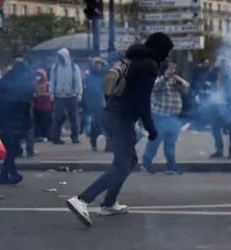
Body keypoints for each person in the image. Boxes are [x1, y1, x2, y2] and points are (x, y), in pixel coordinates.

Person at [65, 33, 173, 227]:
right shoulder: (149, 66)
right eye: (167, 51)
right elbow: (143, 100)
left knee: (128, 161)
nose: (167, 56)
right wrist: (150, 127)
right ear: (160, 49)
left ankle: (109, 203)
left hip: (114, 114)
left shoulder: (134, 59)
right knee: (123, 164)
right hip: (119, 118)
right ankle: (82, 200)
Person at [0, 58, 35, 185]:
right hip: (12, 121)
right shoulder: (22, 85)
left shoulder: (4, 81)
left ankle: (12, 173)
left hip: (2, 120)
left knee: (11, 149)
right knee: (14, 149)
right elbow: (24, 105)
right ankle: (3, 176)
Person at [142, 62, 189, 174]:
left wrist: (179, 81)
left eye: (174, 69)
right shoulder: (157, 80)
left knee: (170, 145)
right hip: (160, 117)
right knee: (153, 144)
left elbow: (187, 88)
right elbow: (156, 88)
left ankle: (171, 168)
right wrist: (166, 77)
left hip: (173, 118)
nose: (173, 71)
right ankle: (145, 166)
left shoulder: (175, 81)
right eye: (171, 69)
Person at [48, 48, 84, 144]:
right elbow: (52, 81)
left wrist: (79, 93)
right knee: (58, 117)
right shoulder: (55, 67)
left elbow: (78, 81)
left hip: (71, 96)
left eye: (61, 56)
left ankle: (75, 137)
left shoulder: (74, 67)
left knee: (74, 118)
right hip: (59, 96)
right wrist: (51, 93)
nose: (59, 58)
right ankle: (56, 137)